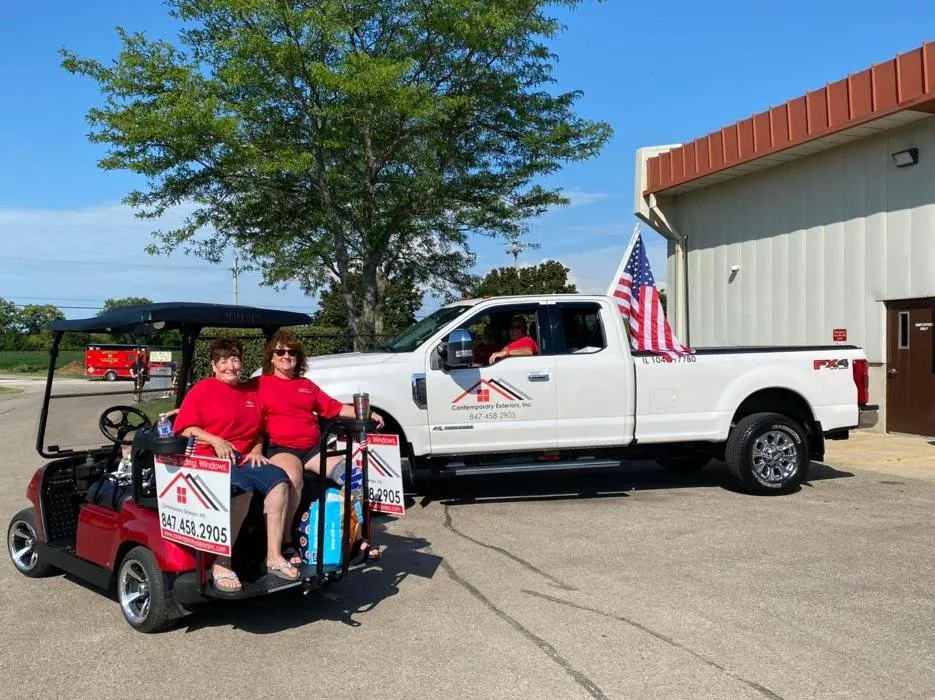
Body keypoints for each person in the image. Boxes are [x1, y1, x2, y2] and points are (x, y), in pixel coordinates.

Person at [172, 336, 298, 593]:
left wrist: (257, 447)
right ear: (214, 366)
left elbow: (260, 429)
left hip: (241, 458)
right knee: (241, 489)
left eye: (235, 360)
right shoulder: (203, 389)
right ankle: (222, 561)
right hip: (207, 459)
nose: (231, 366)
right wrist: (215, 440)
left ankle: (273, 555)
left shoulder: (250, 392)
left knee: (279, 482)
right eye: (224, 361)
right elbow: (184, 428)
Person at [257, 329, 385, 564]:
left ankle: (357, 537)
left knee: (354, 475)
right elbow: (231, 400)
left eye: (292, 351)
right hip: (282, 449)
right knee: (293, 477)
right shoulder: (260, 384)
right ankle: (286, 543)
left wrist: (367, 412)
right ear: (272, 357)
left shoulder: (306, 385)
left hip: (313, 449)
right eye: (281, 351)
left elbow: (334, 408)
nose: (287, 356)